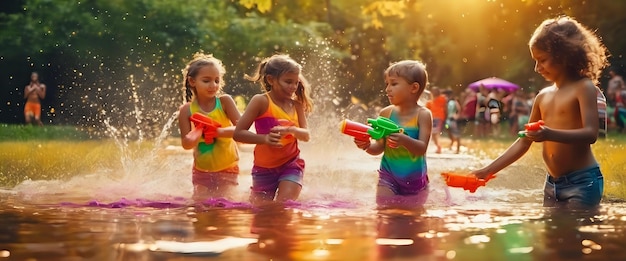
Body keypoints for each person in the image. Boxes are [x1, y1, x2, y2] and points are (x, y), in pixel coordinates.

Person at [472, 16, 608, 210]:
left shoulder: (583, 88)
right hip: (552, 184)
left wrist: (549, 134)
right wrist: (488, 171)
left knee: (576, 236)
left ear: (564, 55)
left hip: (583, 182)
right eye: (535, 61)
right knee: (552, 237)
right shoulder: (542, 97)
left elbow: (590, 134)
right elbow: (523, 141)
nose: (537, 68)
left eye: (542, 60)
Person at [233, 54, 313, 205]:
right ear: (271, 80)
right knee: (261, 210)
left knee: (284, 204)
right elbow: (238, 133)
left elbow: (306, 135)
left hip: (291, 164)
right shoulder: (260, 101)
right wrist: (264, 139)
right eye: (288, 82)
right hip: (263, 169)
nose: (293, 87)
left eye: (296, 82)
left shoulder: (296, 106)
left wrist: (293, 131)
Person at [353, 60, 432, 208]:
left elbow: (422, 148)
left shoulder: (423, 115)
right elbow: (379, 148)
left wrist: (404, 140)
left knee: (412, 223)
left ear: (414, 88)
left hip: (415, 181)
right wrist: (367, 146)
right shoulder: (386, 113)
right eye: (387, 84)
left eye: (394, 84)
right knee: (384, 211)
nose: (387, 89)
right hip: (388, 176)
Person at [177, 53, 241, 201]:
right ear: (192, 81)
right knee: (201, 206)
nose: (213, 85)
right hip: (201, 170)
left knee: (225, 206)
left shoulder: (224, 102)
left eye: (217, 80)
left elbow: (242, 130)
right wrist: (198, 131)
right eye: (206, 81)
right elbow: (186, 144)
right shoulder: (186, 110)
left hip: (228, 167)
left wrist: (217, 131)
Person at [425, 86, 446, 153]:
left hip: (437, 118)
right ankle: (438, 146)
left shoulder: (435, 100)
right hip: (436, 118)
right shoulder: (440, 99)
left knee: (434, 133)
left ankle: (439, 147)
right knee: (434, 133)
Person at [444, 89, 462, 153]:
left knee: (456, 133)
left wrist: (457, 115)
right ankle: (452, 142)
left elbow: (459, 109)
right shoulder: (447, 102)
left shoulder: (455, 101)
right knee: (448, 130)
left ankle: (458, 148)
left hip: (453, 120)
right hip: (448, 120)